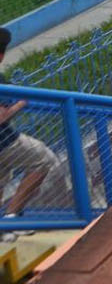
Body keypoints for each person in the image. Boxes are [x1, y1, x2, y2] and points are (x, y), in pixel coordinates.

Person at [0, 29, 67, 216]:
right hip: (5, 142)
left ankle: (3, 229)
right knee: (43, 160)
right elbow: (1, 117)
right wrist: (21, 102)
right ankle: (12, 216)